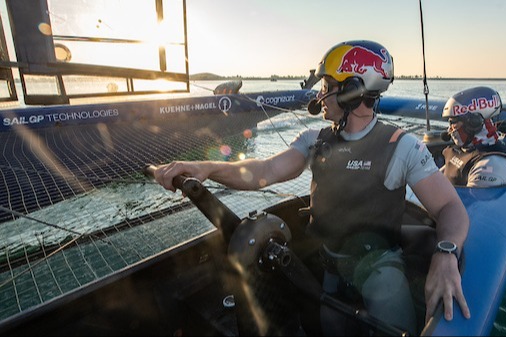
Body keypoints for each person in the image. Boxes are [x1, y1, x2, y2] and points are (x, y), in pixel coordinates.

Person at [152, 40, 470, 335]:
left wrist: (446, 255)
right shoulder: (315, 140)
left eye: (328, 87)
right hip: (330, 271)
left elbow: (450, 208)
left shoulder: (402, 147)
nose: (320, 94)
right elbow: (264, 170)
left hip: (381, 276)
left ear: (352, 91)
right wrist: (205, 168)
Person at [441, 86, 506, 187]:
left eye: (453, 123)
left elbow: (471, 201)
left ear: (473, 124)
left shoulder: (491, 164)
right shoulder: (465, 149)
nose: (450, 130)